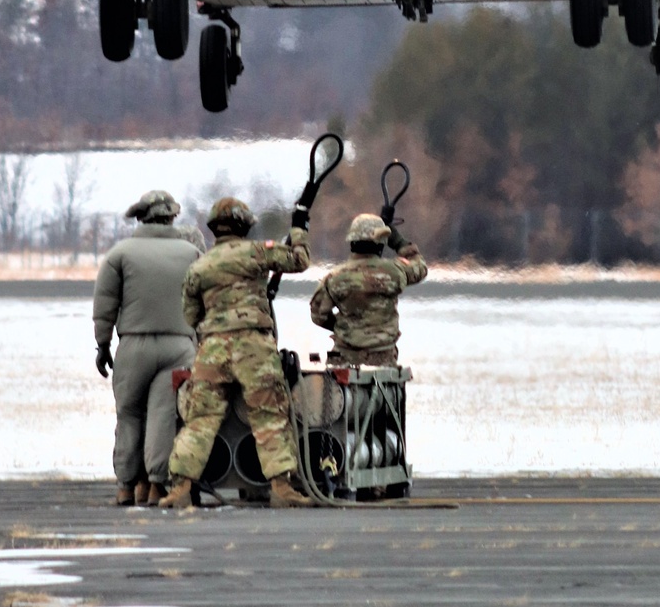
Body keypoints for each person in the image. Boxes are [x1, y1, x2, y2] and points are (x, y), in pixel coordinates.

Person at [160, 196, 313, 510]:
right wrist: (298, 228)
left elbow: (191, 315)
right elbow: (299, 261)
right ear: (245, 226)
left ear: (214, 228)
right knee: (270, 416)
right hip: (253, 348)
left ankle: (180, 489)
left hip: (212, 348)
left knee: (200, 420)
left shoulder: (199, 266)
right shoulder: (257, 253)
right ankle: (282, 487)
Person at [92, 190, 204, 507]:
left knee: (129, 415)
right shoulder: (191, 253)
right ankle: (157, 486)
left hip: (134, 345)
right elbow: (204, 303)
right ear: (172, 217)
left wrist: (103, 344)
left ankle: (127, 487)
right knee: (164, 416)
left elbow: (105, 304)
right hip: (180, 345)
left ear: (141, 217)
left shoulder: (120, 254)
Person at [309, 212, 428, 367]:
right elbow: (420, 268)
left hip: (344, 357)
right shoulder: (396, 272)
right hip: (383, 357)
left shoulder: (334, 277)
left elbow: (318, 314)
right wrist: (398, 242)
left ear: (352, 242)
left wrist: (348, 327)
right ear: (381, 243)